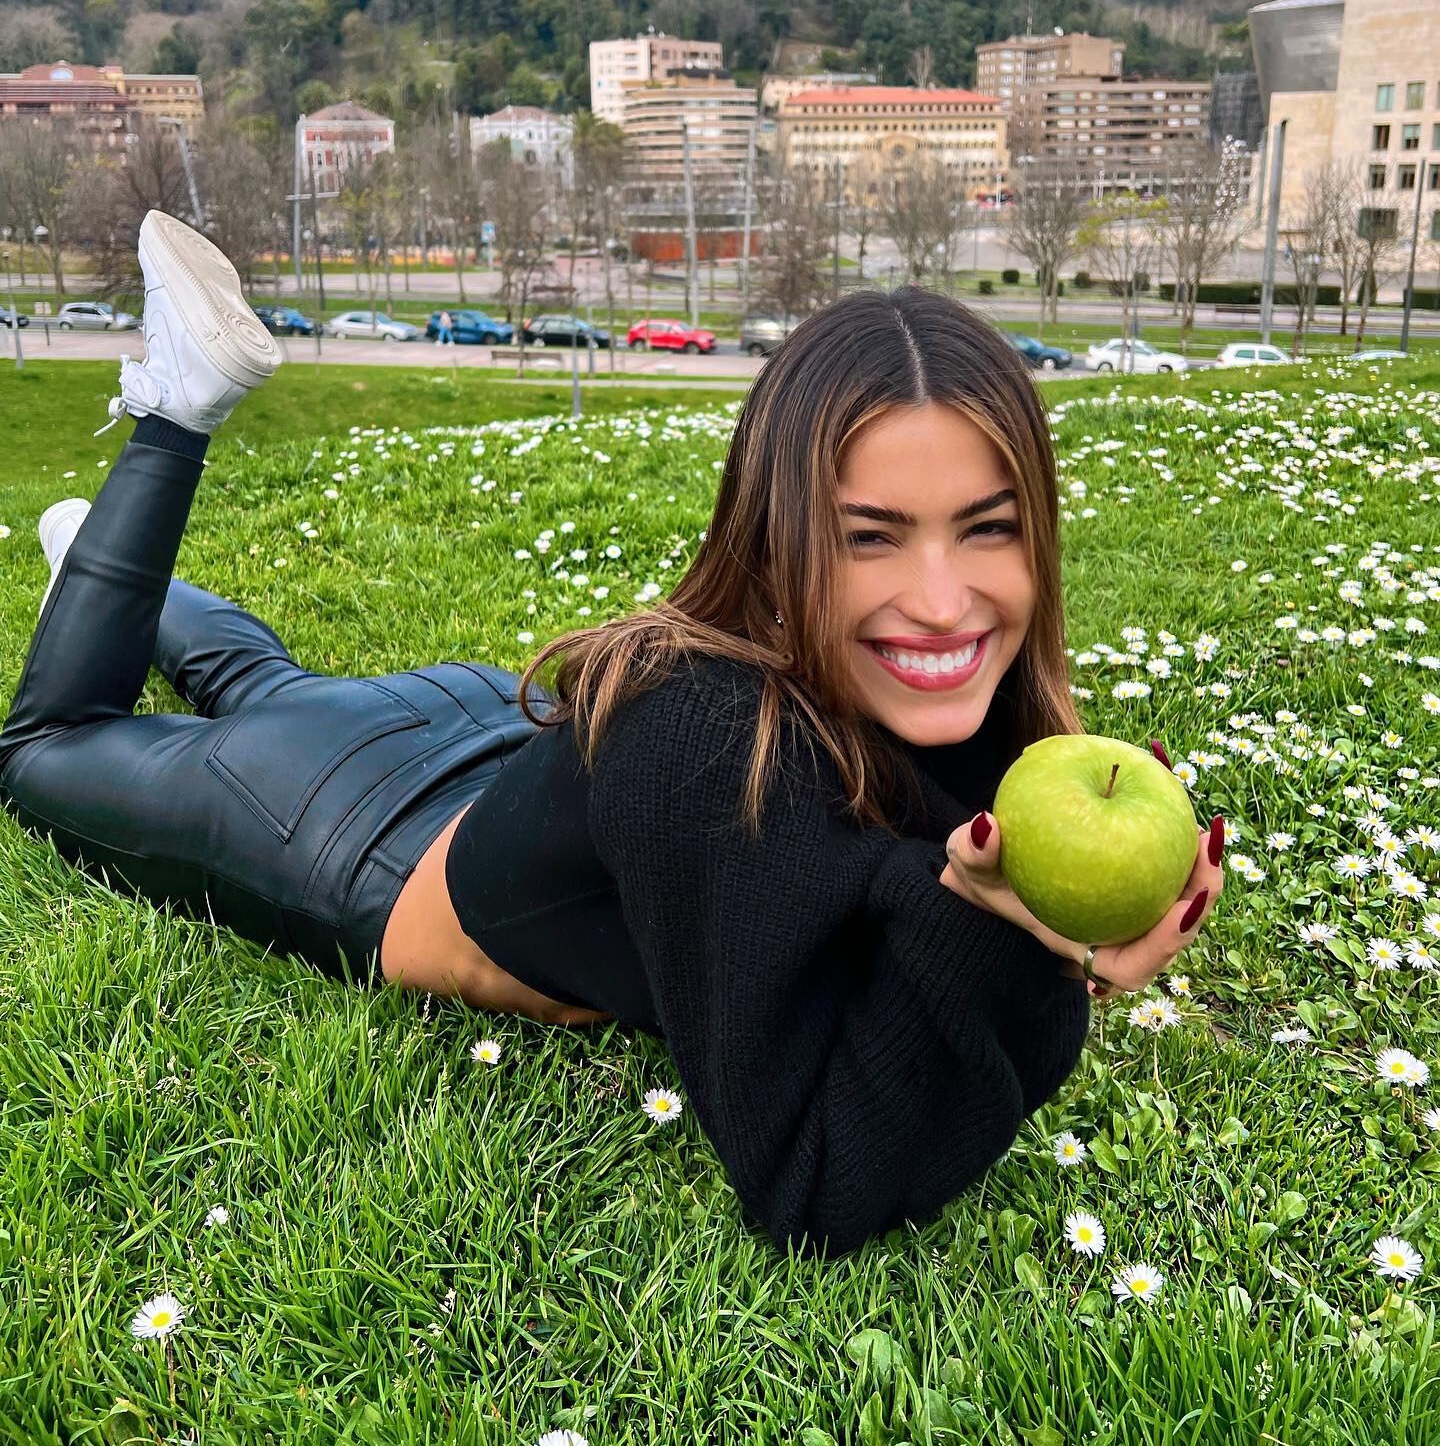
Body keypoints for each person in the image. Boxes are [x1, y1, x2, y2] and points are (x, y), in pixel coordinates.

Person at [0, 211, 1224, 1258]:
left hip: (484, 731)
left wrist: (1037, 920)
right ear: (779, 534)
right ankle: (174, 414)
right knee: (50, 745)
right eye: (870, 536)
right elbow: (814, 1185)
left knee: (269, 679)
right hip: (353, 824)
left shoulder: (970, 712)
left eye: (988, 528)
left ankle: (102, 558)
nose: (947, 600)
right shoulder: (708, 747)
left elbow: (872, 942)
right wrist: (1024, 954)